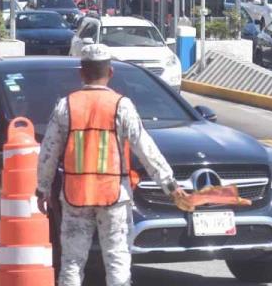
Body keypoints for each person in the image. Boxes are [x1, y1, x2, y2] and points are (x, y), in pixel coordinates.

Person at [36, 44, 194, 286]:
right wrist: (170, 185)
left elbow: (48, 152)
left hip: (75, 194)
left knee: (72, 262)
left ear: (81, 73)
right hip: (114, 196)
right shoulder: (122, 106)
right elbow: (146, 148)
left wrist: (43, 188)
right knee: (117, 259)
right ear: (110, 72)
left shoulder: (66, 106)